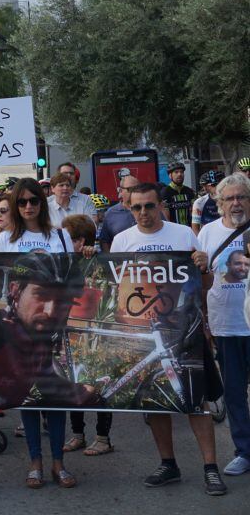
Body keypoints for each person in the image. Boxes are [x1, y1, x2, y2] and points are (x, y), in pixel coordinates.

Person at [110, 183, 226, 496]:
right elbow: (114, 287)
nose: (143, 213)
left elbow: (205, 282)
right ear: (129, 208)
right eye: (137, 208)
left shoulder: (183, 235)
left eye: (149, 206)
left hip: (185, 331)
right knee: (155, 401)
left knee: (196, 402)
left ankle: (211, 468)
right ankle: (168, 464)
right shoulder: (122, 240)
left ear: (161, 205)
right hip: (144, 335)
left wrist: (204, 268)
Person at [0, 251, 86, 489]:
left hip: (45, 372)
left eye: (62, 300)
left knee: (55, 404)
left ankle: (58, 463)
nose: (50, 310)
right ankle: (35, 463)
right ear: (16, 291)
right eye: (41, 295)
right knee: (30, 407)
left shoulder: (50, 338)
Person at [197, 173, 250, 476]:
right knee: (233, 393)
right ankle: (244, 451)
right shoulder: (206, 232)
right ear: (219, 203)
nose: (236, 203)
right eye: (229, 198)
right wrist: (204, 321)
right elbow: (203, 280)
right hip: (225, 327)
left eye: (241, 196)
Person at [60, 215, 114, 457]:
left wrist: (92, 259)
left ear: (80, 241)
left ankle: (103, 437)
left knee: (100, 383)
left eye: (67, 238)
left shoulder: (97, 262)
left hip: (95, 331)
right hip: (71, 330)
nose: (61, 242)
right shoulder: (65, 261)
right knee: (74, 382)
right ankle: (78, 435)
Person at [0, 179, 72, 255]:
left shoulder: (62, 236)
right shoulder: (4, 238)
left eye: (34, 201)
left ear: (42, 202)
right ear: (15, 205)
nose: (28, 206)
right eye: (22, 202)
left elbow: (71, 269)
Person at [97, 174, 140, 250]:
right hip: (121, 260)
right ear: (120, 190)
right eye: (131, 189)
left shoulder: (150, 208)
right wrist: (109, 260)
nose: (135, 192)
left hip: (147, 259)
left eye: (137, 189)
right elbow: (104, 241)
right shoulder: (111, 213)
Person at [161, 162, 195, 227]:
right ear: (170, 175)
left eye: (181, 172)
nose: (179, 174)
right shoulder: (165, 192)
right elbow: (165, 217)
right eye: (176, 172)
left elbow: (193, 213)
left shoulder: (189, 191)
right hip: (173, 230)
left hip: (188, 229)